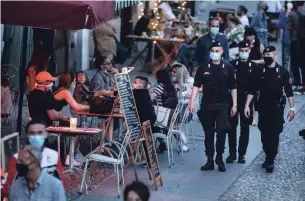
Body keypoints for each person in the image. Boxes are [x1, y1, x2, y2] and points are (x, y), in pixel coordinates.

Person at [244, 46, 295, 173]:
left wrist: (292, 108)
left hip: (276, 107)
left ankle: (271, 158)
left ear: (274, 55)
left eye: (269, 54)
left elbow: (289, 91)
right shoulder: (260, 72)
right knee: (264, 132)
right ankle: (268, 155)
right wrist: (247, 105)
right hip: (263, 107)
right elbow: (252, 90)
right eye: (265, 55)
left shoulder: (282, 72)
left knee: (274, 132)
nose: (267, 57)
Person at [189, 41, 237, 172]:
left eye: (217, 51)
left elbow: (233, 87)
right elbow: (196, 85)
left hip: (223, 104)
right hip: (207, 104)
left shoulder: (228, 67)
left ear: (222, 52)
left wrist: (235, 104)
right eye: (213, 51)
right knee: (208, 133)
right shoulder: (203, 67)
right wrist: (192, 102)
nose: (214, 53)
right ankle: (209, 159)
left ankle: (219, 158)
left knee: (221, 132)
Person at [1, 120, 66, 199]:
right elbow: (6, 189)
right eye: (32, 133)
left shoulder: (53, 156)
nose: (36, 136)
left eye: (39, 133)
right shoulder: (17, 158)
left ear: (46, 134)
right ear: (27, 135)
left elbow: (61, 184)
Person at [226, 40, 259, 164]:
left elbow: (254, 87)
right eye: (242, 51)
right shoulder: (232, 65)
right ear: (238, 51)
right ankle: (232, 153)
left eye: (246, 51)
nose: (244, 53)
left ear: (249, 51)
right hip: (233, 100)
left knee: (245, 128)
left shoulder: (254, 66)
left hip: (247, 100)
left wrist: (249, 105)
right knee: (231, 128)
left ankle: (241, 154)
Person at [151, 69, 178, 153]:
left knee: (149, 122)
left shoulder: (160, 86)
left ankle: (162, 143)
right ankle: (173, 138)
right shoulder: (172, 87)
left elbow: (150, 99)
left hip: (162, 116)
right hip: (171, 115)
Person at [133, 76, 156, 167]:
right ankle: (149, 159)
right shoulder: (145, 92)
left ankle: (150, 161)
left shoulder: (138, 92)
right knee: (147, 140)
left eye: (135, 82)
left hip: (145, 120)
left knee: (146, 140)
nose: (133, 84)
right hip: (150, 118)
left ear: (140, 85)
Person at [170, 61, 194, 152]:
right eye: (172, 71)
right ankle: (181, 138)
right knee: (169, 123)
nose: (172, 73)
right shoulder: (173, 82)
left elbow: (195, 93)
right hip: (175, 107)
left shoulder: (190, 81)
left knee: (171, 124)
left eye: (174, 72)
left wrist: (190, 96)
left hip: (185, 109)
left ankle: (181, 139)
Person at [288, 1, 305, 94]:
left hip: (295, 40)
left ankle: (299, 85)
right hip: (304, 40)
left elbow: (289, 27)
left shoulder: (292, 14)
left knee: (295, 63)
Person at [278, 1, 293, 72]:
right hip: (286, 39)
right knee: (285, 60)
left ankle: (293, 77)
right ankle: (285, 75)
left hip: (294, 39)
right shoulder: (282, 14)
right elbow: (281, 25)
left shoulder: (295, 13)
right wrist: (286, 16)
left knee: (294, 60)